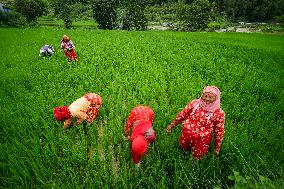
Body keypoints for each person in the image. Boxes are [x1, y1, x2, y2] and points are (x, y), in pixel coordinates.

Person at [166, 86, 225, 160]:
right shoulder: (195, 104)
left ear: (216, 99)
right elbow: (183, 114)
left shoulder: (218, 113)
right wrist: (172, 125)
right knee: (182, 150)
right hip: (186, 134)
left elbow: (219, 131)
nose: (207, 99)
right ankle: (183, 152)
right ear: (202, 94)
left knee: (197, 158)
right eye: (205, 96)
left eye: (210, 97)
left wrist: (217, 147)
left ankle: (194, 164)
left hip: (202, 140)